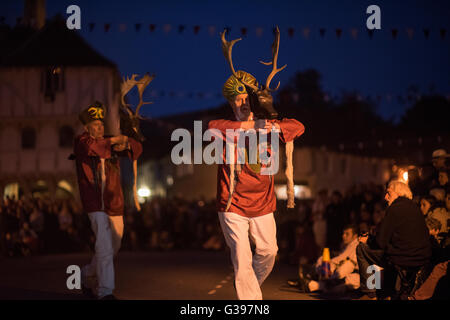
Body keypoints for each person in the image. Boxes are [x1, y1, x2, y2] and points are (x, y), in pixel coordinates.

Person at [208, 70, 305, 300]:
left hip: (263, 204)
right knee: (242, 258)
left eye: (246, 98)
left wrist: (272, 126)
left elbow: (298, 127)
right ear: (231, 104)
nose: (242, 103)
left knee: (269, 252)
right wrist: (252, 126)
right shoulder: (228, 129)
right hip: (233, 206)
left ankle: (247, 283)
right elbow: (212, 127)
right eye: (237, 100)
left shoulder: (268, 125)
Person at [73, 101, 142, 300]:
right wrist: (116, 141)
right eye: (95, 124)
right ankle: (105, 292)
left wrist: (128, 140)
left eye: (101, 124)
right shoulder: (82, 142)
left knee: (114, 246)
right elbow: (94, 148)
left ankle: (86, 275)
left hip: (114, 203)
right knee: (103, 247)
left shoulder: (110, 141)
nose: (100, 127)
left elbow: (137, 150)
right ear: (87, 127)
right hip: (94, 203)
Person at [356, 181, 432, 300]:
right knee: (383, 253)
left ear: (399, 193)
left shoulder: (395, 208)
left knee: (362, 248)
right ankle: (385, 292)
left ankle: (370, 293)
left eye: (389, 193)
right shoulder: (414, 208)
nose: (386, 197)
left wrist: (367, 240)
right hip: (421, 258)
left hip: (403, 258)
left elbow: (380, 242)